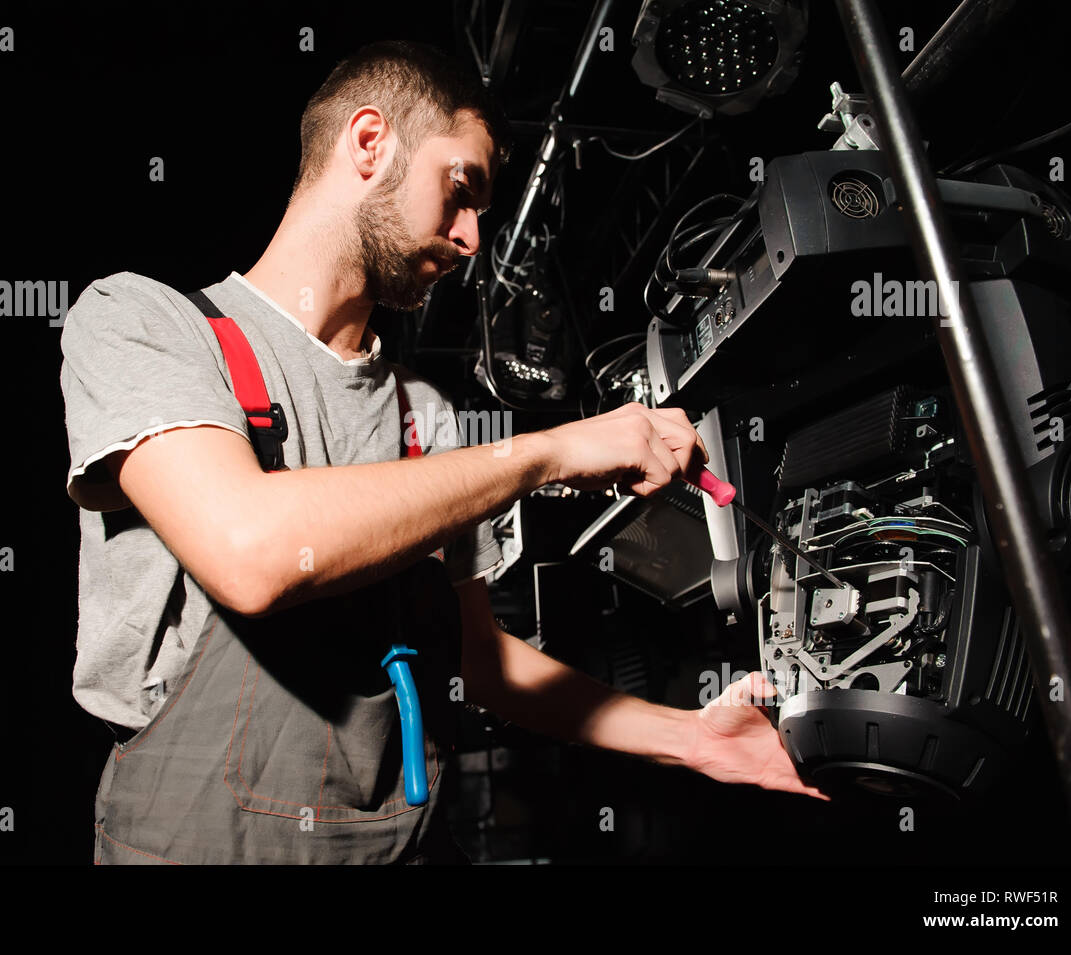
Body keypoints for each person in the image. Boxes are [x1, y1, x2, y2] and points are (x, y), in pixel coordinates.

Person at [59, 39, 825, 865]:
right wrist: (547, 452)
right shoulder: (144, 323)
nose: (471, 239)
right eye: (460, 191)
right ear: (369, 142)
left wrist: (695, 739)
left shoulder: (424, 417)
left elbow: (481, 660)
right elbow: (251, 552)